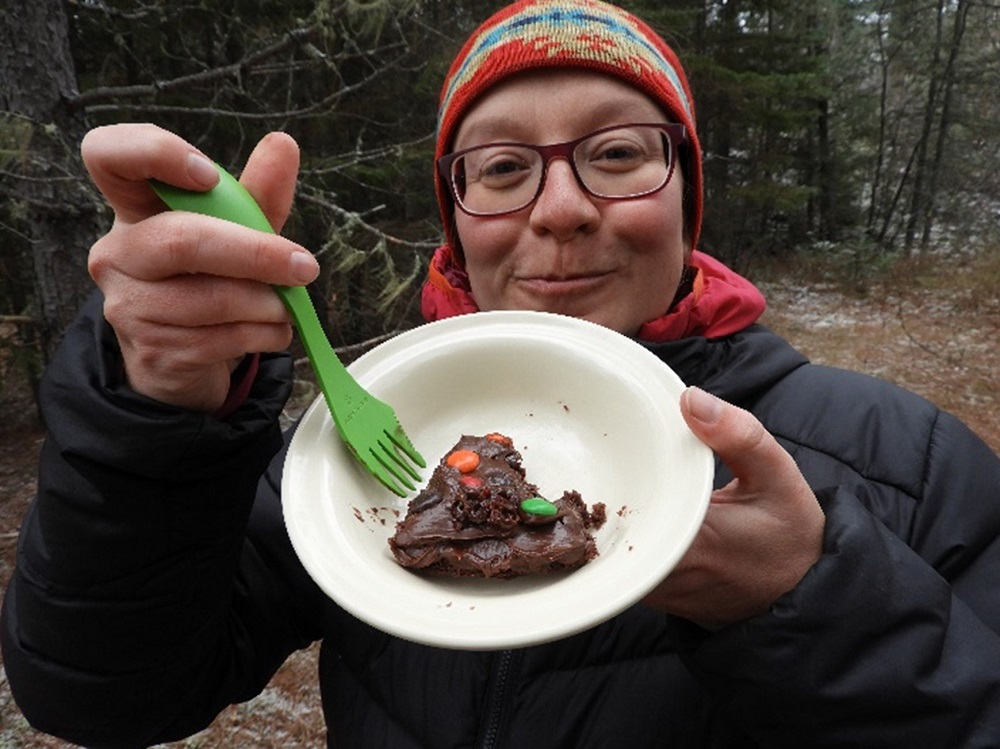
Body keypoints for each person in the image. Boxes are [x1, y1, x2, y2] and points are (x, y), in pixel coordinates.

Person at [3, 0, 999, 746]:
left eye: (615, 152)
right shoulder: (356, 452)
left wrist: (810, 605)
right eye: (503, 167)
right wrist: (156, 413)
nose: (560, 207)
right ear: (455, 219)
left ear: (687, 196)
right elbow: (104, 694)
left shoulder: (908, 464)